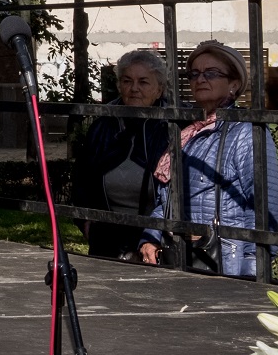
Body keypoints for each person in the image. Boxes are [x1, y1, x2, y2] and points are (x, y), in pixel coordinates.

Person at [140, 41, 278, 279]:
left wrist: (252, 273)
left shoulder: (245, 131)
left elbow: (265, 207)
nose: (200, 79)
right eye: (194, 74)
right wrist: (150, 237)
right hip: (181, 258)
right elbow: (168, 196)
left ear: (234, 84)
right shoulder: (186, 132)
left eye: (211, 73)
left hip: (228, 264)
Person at [72, 50, 169, 261]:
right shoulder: (102, 124)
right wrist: (86, 224)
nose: (134, 88)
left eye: (143, 82)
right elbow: (81, 180)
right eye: (127, 81)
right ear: (118, 86)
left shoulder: (172, 127)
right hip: (106, 235)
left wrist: (157, 234)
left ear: (159, 89)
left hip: (155, 237)